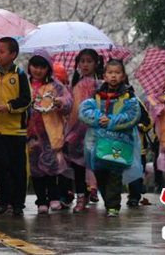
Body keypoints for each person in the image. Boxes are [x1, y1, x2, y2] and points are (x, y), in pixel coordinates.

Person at [79, 59, 141, 217]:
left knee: (115, 173)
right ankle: (108, 202)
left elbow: (132, 116)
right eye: (110, 73)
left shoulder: (129, 97)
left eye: (117, 73)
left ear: (123, 76)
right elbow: (84, 111)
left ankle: (113, 206)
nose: (114, 76)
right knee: (100, 173)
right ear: (104, 75)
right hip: (98, 143)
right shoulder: (97, 96)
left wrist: (112, 121)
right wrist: (100, 118)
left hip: (120, 143)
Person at [0, 37, 31, 216]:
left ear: (13, 54)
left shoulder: (19, 74)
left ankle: (18, 204)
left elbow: (27, 100)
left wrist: (10, 107)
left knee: (17, 167)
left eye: (2, 52)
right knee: (0, 167)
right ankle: (3, 202)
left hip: (16, 130)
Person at [26, 51, 72, 215]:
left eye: (42, 67)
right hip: (30, 133)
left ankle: (53, 197)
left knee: (51, 166)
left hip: (50, 132)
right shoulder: (25, 84)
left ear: (48, 69)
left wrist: (61, 102)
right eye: (35, 66)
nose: (38, 70)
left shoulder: (56, 85)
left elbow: (69, 101)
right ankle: (41, 201)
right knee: (35, 168)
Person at [64, 49, 101, 213]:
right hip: (77, 133)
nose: (85, 65)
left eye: (89, 61)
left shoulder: (101, 85)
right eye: (82, 61)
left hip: (97, 132)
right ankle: (81, 196)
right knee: (78, 167)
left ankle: (102, 195)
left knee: (98, 165)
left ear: (96, 63)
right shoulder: (75, 85)